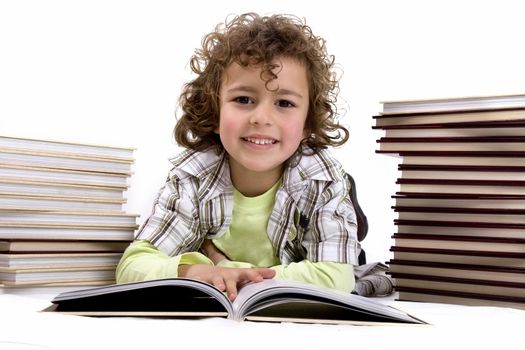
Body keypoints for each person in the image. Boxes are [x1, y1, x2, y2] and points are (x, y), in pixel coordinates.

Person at [116, 12, 362, 301]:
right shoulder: (192, 178)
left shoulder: (323, 180)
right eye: (243, 99)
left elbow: (337, 277)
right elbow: (132, 266)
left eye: (284, 103)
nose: (261, 118)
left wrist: (230, 270)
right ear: (216, 111)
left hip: (312, 205)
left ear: (307, 123)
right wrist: (189, 271)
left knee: (358, 248)